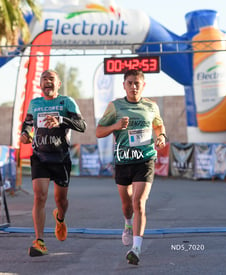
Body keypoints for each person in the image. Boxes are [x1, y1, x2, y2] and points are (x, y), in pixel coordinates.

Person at [95, 69, 167, 265]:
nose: (133, 86)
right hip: (123, 160)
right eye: (130, 83)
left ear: (143, 85)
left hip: (145, 159)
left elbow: (159, 126)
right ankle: (127, 223)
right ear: (124, 85)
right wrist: (115, 127)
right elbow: (99, 131)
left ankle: (136, 248)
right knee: (127, 205)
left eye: (137, 83)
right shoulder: (115, 106)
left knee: (139, 203)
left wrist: (160, 137)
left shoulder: (151, 106)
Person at [20, 69, 86, 257]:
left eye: (51, 79)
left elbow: (82, 125)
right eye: (44, 79)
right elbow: (27, 124)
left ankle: (60, 217)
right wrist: (25, 134)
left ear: (58, 84)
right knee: (39, 197)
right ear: (40, 84)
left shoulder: (66, 102)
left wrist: (61, 120)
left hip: (60, 158)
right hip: (40, 156)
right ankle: (39, 241)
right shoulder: (35, 103)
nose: (47, 82)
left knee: (60, 200)